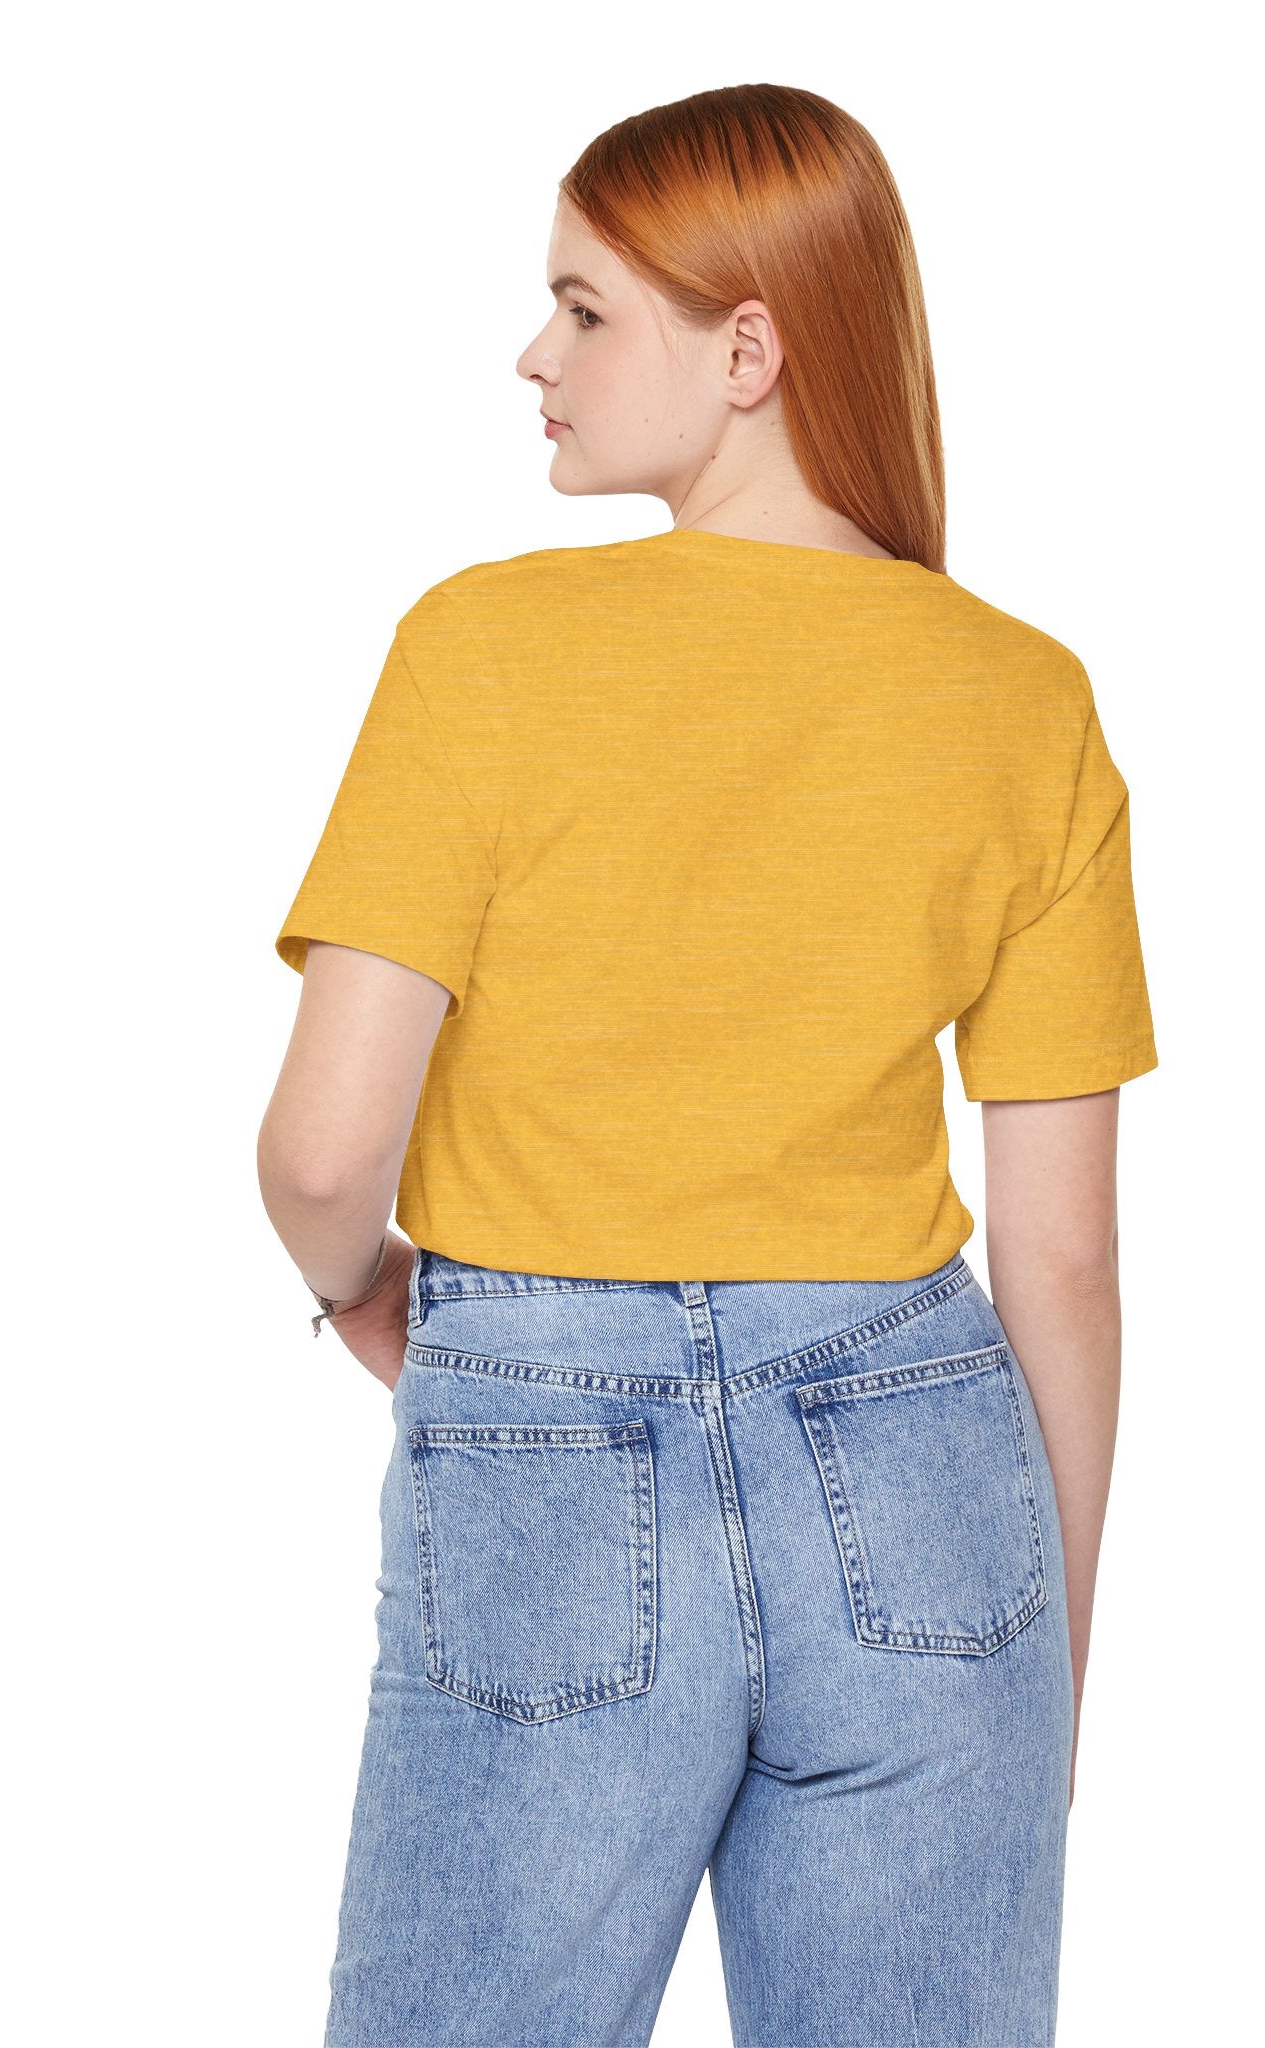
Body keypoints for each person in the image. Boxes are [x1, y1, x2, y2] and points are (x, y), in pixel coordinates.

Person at [257, 81, 1158, 2048]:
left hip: (546, 1453)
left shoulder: (482, 649)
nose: (535, 354)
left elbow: (325, 1153)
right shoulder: (1025, 698)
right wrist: (1046, 1661)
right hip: (927, 1480)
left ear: (748, 351)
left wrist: (365, 1296)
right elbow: (1065, 1263)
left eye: (585, 309)